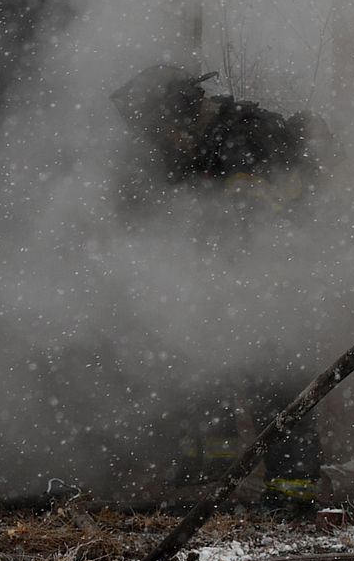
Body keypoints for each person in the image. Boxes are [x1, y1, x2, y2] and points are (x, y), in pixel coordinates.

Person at [110, 64, 328, 514]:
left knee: (275, 380)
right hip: (228, 280)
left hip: (273, 283)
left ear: (186, 116)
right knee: (204, 365)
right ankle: (207, 475)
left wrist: (219, 274)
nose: (164, 142)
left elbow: (247, 223)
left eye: (166, 130)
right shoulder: (205, 144)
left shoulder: (243, 141)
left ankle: (291, 495)